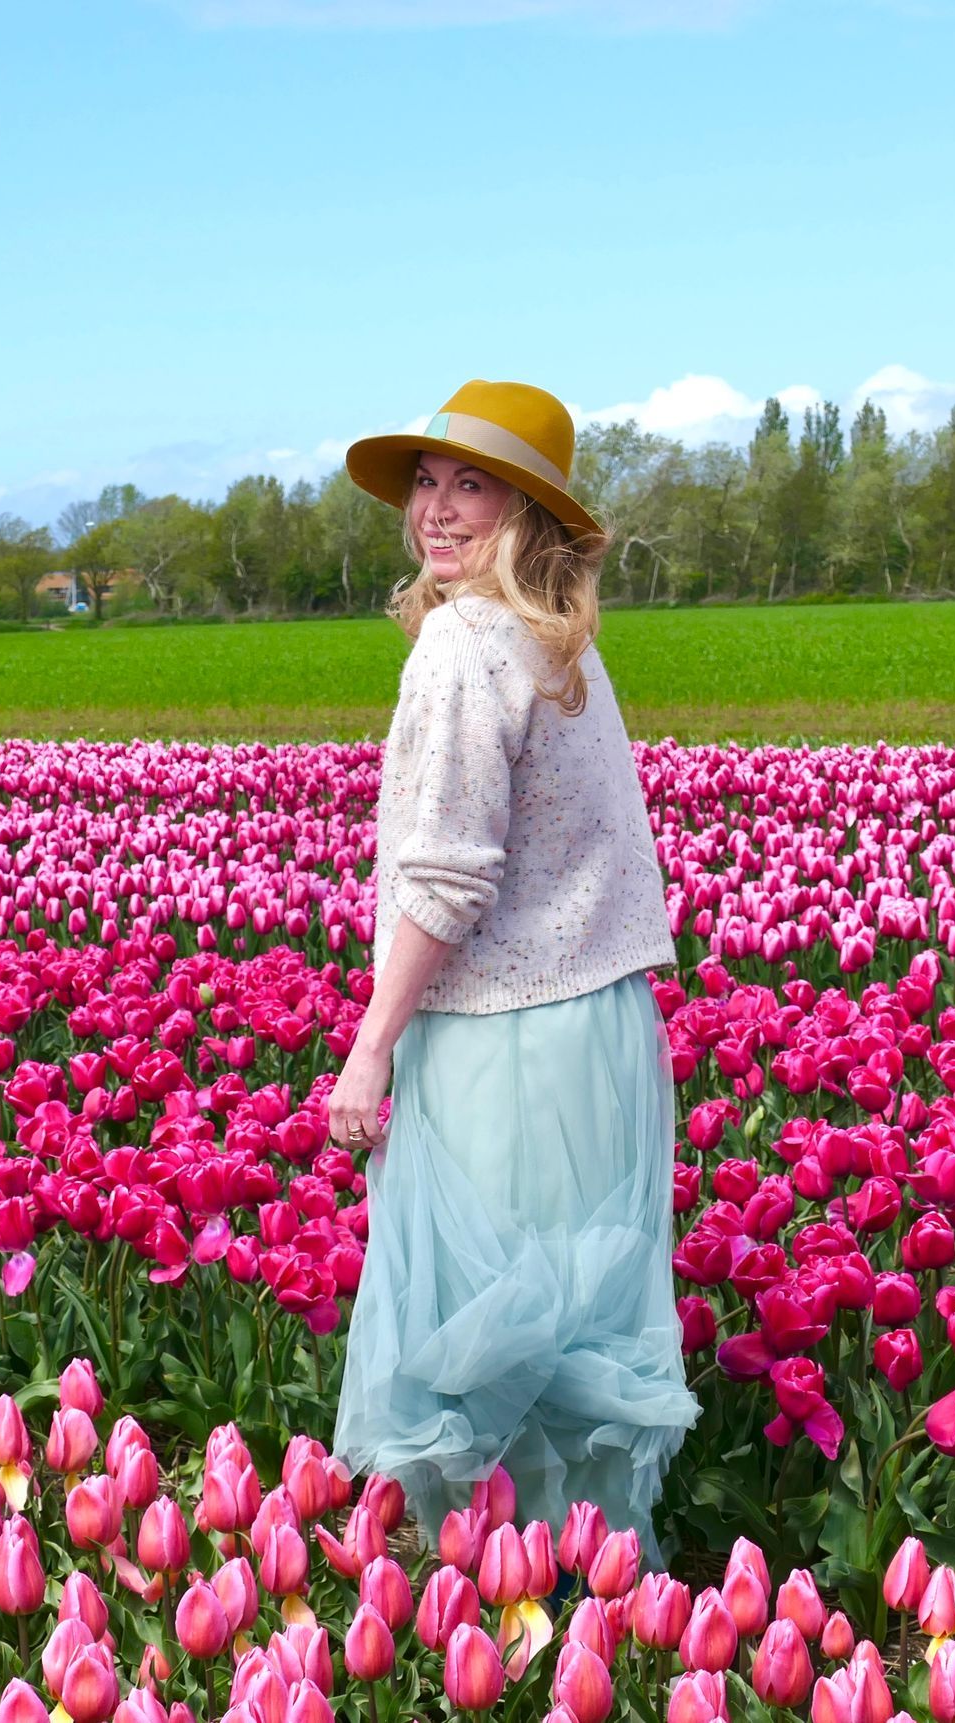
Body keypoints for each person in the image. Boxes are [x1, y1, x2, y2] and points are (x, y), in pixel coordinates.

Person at [327, 378, 699, 1572]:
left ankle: (496, 1612)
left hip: (504, 1040)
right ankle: (596, 1594)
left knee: (493, 1343)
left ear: (529, 510)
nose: (436, 510)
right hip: (603, 1031)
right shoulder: (563, 645)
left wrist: (372, 1044)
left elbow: (444, 877)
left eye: (470, 484)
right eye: (426, 483)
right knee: (573, 1332)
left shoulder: (465, 642)